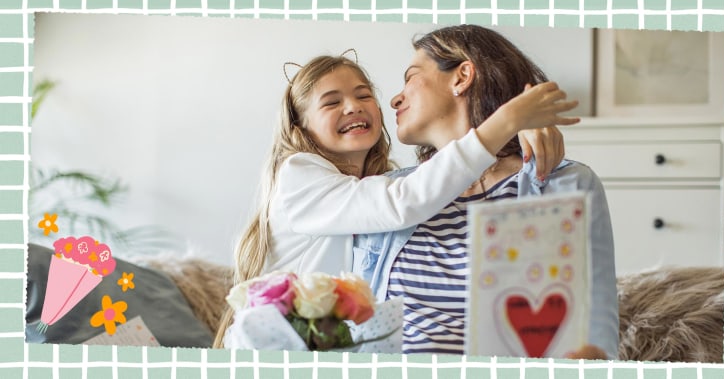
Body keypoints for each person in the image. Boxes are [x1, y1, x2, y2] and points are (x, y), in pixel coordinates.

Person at [213, 51, 579, 348]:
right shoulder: (299, 175)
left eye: (363, 94)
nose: (352, 106)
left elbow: (418, 189)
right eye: (331, 102)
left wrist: (519, 137)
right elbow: (405, 200)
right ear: (300, 128)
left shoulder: (378, 183)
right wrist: (507, 122)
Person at [353, 25, 618, 360]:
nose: (395, 98)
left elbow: (595, 336)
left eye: (411, 77)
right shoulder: (387, 193)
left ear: (461, 76)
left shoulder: (563, 184)